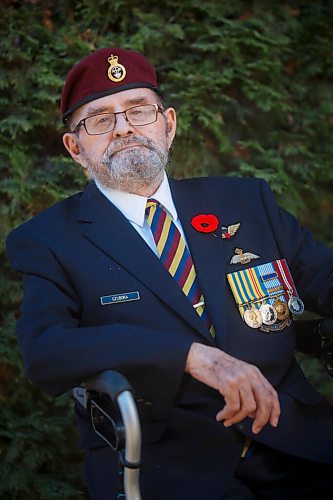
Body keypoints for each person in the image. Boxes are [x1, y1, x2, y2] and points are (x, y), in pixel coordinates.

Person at [6, 47, 333, 499]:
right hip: (171, 468)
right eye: (100, 119)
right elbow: (46, 351)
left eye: (139, 111)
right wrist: (190, 356)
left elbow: (323, 278)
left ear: (169, 124)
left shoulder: (246, 202)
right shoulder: (48, 239)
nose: (123, 127)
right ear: (76, 149)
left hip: (299, 443)